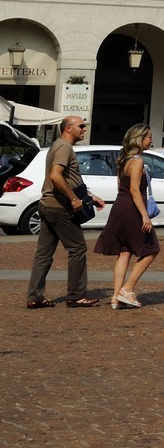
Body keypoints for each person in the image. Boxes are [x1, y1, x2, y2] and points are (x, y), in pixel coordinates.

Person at [25, 115, 105, 309]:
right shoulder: (64, 147)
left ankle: (35, 297)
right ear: (68, 128)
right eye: (81, 126)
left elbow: (69, 178)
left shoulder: (58, 146)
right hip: (59, 207)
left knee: (43, 254)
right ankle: (76, 295)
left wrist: (88, 195)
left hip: (48, 204)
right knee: (77, 248)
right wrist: (74, 199)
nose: (84, 129)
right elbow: (55, 176)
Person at [94, 123, 160, 308]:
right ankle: (127, 288)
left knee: (125, 251)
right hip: (132, 208)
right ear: (140, 139)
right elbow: (134, 190)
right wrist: (144, 215)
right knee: (151, 248)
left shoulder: (123, 160)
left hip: (120, 206)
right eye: (149, 137)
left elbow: (120, 186)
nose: (151, 140)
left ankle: (116, 297)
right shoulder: (137, 161)